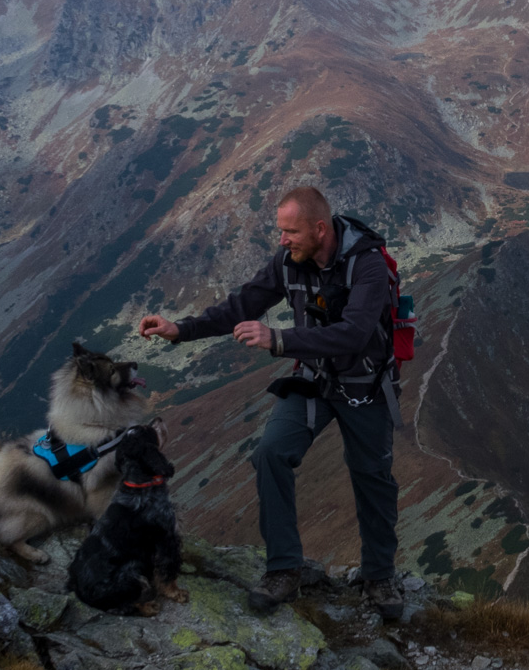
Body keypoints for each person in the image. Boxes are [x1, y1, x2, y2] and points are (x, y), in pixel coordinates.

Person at [140, 186, 404, 620]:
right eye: (280, 231)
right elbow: (241, 305)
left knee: (373, 476)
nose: (282, 240)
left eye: (290, 231)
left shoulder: (368, 265)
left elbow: (354, 334)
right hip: (313, 381)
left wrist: (279, 339)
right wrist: (180, 329)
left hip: (365, 386)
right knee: (271, 454)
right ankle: (283, 569)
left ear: (319, 229)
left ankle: (379, 577)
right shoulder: (288, 262)